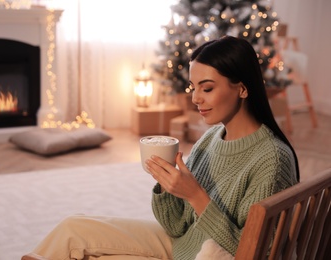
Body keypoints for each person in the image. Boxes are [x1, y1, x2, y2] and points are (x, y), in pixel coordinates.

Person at [30, 36, 299, 260]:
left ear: (241, 89)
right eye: (193, 87)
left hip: (201, 255)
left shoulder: (271, 159)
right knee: (73, 227)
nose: (195, 98)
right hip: (180, 245)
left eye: (206, 88)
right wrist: (167, 184)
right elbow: (176, 226)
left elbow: (256, 253)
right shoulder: (212, 137)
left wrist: (196, 196)